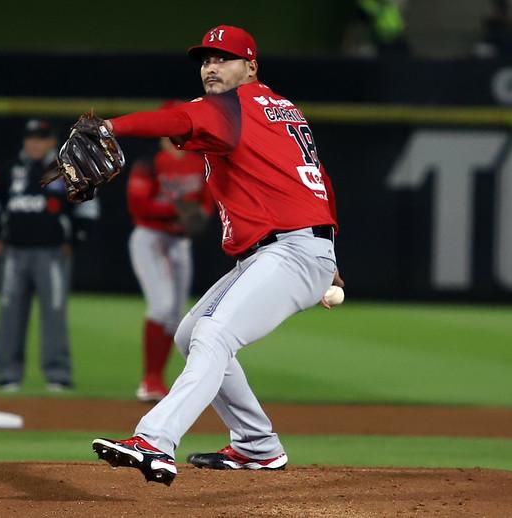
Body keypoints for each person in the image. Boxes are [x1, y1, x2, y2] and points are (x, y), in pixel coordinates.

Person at [91, 25, 343, 486]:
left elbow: (173, 121)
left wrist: (111, 127)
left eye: (224, 58)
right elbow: (315, 176)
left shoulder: (233, 106)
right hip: (292, 246)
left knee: (212, 333)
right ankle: (257, 447)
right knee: (190, 334)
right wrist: (327, 249)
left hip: (290, 248)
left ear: (251, 66)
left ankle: (155, 440)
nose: (211, 66)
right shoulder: (279, 109)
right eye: (206, 60)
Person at [0, 119, 99, 392]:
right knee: (10, 312)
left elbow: (88, 210)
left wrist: (75, 240)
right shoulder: (9, 171)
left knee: (54, 313)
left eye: (41, 138)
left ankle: (57, 374)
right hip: (14, 252)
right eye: (31, 138)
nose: (35, 143)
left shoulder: (68, 170)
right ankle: (8, 374)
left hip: (52, 253)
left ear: (51, 142)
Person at [126, 106, 213, 402]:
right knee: (161, 307)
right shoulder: (149, 163)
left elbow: (207, 202)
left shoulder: (199, 162)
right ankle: (149, 380)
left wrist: (198, 214)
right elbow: (139, 206)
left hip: (179, 241)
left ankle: (155, 380)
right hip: (150, 238)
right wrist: (177, 209)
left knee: (175, 317)